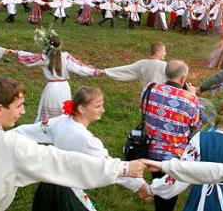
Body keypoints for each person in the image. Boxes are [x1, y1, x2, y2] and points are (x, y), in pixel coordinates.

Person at [0, 77, 146, 211]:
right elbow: (62, 162)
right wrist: (122, 168)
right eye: (19, 107)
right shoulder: (9, 146)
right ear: (0, 109)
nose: (23, 112)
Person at [15, 87, 145, 210]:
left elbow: (28, 131)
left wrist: (0, 135)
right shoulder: (86, 140)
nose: (103, 110)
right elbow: (108, 166)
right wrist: (140, 185)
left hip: (48, 183)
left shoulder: (61, 121)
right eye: (98, 106)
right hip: (67, 189)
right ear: (81, 108)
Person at [142, 93, 223, 211]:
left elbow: (182, 171)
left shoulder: (200, 138)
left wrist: (152, 189)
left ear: (220, 112)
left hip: (200, 194)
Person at [143, 60, 200, 211]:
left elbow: (144, 111)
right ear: (183, 78)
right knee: (169, 191)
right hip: (175, 155)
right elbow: (195, 124)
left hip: (150, 150)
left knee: (157, 182)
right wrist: (192, 96)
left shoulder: (149, 89)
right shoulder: (190, 99)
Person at [15, 30, 101, 122]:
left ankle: (46, 129)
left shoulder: (44, 58)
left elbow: (29, 58)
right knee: (63, 112)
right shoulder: (65, 57)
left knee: (49, 114)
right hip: (64, 88)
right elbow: (79, 67)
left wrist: (15, 52)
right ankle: (61, 128)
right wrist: (94, 71)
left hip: (52, 89)